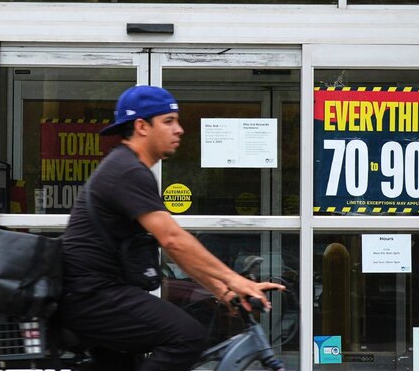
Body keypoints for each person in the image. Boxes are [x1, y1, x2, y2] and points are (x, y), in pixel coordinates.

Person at [58, 86, 284, 371]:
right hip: (93, 296)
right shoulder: (127, 170)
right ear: (142, 126)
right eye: (168, 121)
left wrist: (222, 290)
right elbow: (173, 239)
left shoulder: (128, 167)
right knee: (187, 337)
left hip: (94, 295)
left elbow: (178, 251)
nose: (179, 129)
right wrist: (234, 280)